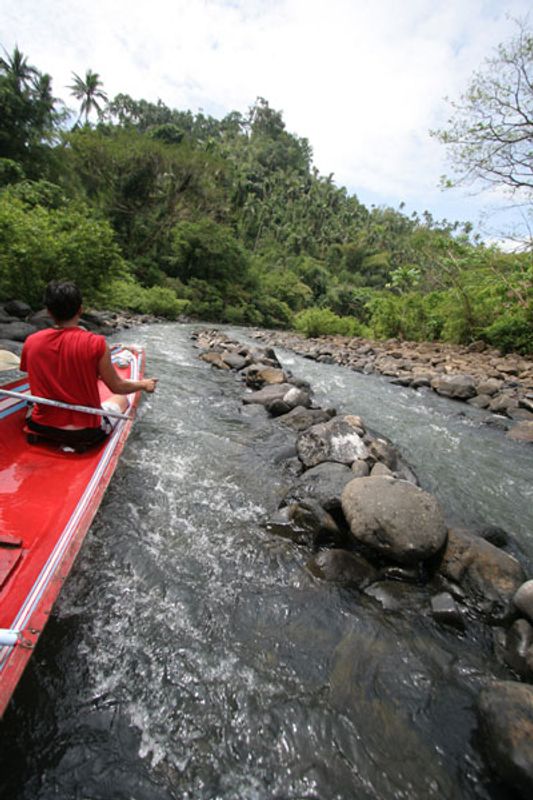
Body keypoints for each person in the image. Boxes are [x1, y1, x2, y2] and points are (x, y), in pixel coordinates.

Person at [20, 280, 157, 446]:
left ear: (48, 312)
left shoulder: (31, 341)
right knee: (121, 399)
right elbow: (117, 387)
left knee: (30, 402)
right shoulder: (96, 343)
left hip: (41, 426)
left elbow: (33, 376)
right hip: (85, 433)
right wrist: (143, 384)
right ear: (80, 310)